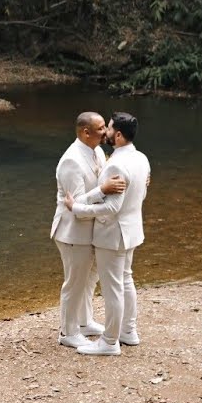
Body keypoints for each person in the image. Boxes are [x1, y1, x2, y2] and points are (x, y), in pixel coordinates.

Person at [64, 112, 150, 356]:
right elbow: (140, 194)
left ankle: (109, 342)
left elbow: (112, 207)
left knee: (113, 288)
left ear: (119, 135)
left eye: (109, 129)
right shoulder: (142, 158)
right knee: (125, 280)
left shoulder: (115, 164)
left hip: (112, 235)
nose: (105, 133)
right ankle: (128, 332)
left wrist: (78, 208)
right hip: (132, 230)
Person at [52, 111, 127, 348]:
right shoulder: (71, 160)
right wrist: (104, 189)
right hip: (72, 231)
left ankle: (84, 322)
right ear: (86, 132)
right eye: (102, 127)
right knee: (74, 282)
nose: (106, 131)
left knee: (89, 278)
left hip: (90, 230)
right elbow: (77, 203)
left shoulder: (95, 150)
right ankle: (67, 332)